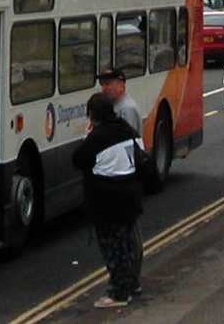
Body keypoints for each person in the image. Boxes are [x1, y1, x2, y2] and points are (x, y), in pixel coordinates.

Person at [72, 93, 143, 308]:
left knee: (113, 248)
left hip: (107, 202)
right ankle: (132, 284)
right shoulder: (127, 130)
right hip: (131, 196)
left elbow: (79, 160)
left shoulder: (98, 137)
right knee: (128, 245)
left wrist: (88, 136)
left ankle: (118, 294)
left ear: (92, 115)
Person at [98, 68, 142, 135]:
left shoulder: (127, 108)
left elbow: (127, 138)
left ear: (121, 85)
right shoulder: (113, 105)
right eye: (102, 84)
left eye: (107, 84)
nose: (103, 88)